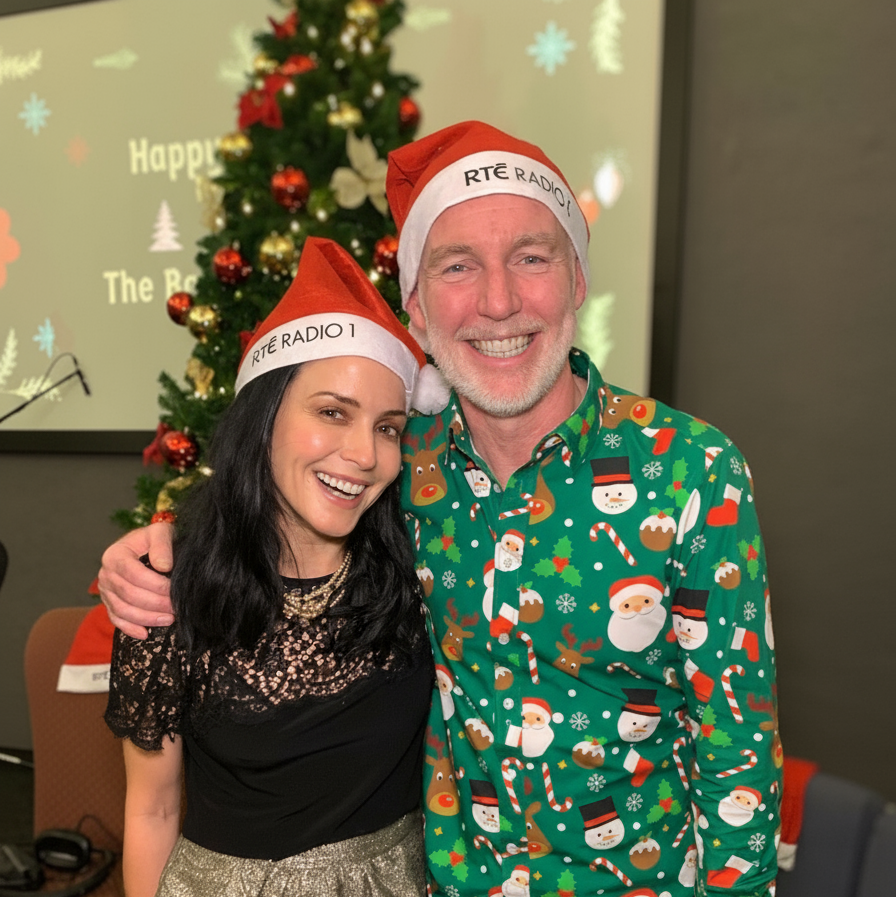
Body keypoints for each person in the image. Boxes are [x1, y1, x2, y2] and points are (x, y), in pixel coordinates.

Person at [101, 122, 782, 896]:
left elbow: (739, 755)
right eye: (459, 265)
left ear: (579, 280)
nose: (498, 300)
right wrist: (154, 553)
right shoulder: (398, 468)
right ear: (417, 310)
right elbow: (277, 499)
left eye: (532, 256)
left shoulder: (690, 472)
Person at [103, 237, 436, 896]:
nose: (363, 453)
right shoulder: (169, 590)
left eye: (388, 426)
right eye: (332, 412)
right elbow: (153, 807)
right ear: (266, 416)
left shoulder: (421, 569)